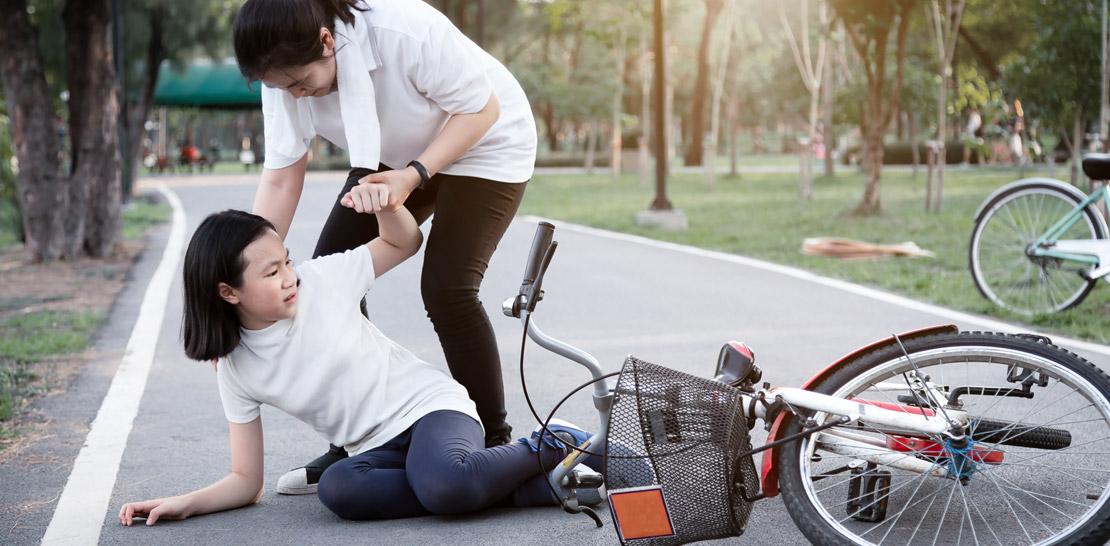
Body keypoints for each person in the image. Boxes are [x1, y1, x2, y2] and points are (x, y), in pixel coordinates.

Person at [117, 194, 600, 525]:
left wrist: (390, 204)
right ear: (228, 293)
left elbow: (404, 242)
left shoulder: (322, 281)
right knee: (339, 490)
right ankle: (535, 485)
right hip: (372, 450)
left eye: (286, 260)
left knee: (444, 484)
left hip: (433, 410)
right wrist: (186, 503)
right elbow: (247, 481)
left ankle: (557, 441)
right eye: (271, 272)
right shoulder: (237, 366)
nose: (289, 276)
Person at [231, 0, 538, 494]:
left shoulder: (404, 29)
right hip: (388, 155)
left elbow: (484, 108)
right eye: (281, 88)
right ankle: (362, 438)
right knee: (328, 281)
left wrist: (413, 176)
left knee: (447, 289)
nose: (295, 94)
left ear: (327, 42)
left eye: (298, 82)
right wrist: (243, 267)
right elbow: (283, 180)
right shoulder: (282, 75)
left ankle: (494, 441)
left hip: (484, 143)